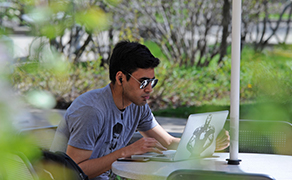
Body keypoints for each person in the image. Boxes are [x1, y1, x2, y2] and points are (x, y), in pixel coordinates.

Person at [51, 40, 230, 180]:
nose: (150, 89)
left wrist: (207, 144)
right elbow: (73, 171)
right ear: (120, 78)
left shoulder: (138, 106)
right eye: (143, 82)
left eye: (152, 82)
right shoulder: (92, 111)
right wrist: (125, 152)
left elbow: (167, 142)